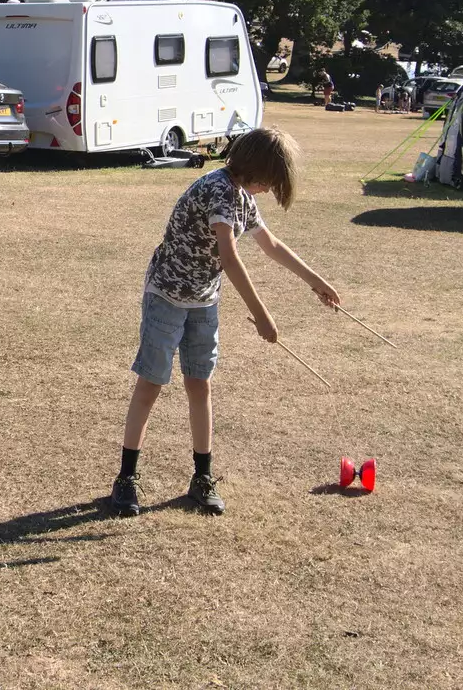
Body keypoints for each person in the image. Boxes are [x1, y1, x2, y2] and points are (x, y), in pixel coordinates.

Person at [110, 126, 342, 517]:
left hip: (203, 300)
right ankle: (126, 479)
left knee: (199, 384)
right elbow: (230, 257)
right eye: (272, 178)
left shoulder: (242, 195)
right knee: (151, 383)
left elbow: (270, 244)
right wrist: (262, 314)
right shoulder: (218, 189)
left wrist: (315, 282)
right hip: (167, 295)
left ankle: (202, 478)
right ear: (258, 167)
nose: (270, 187)